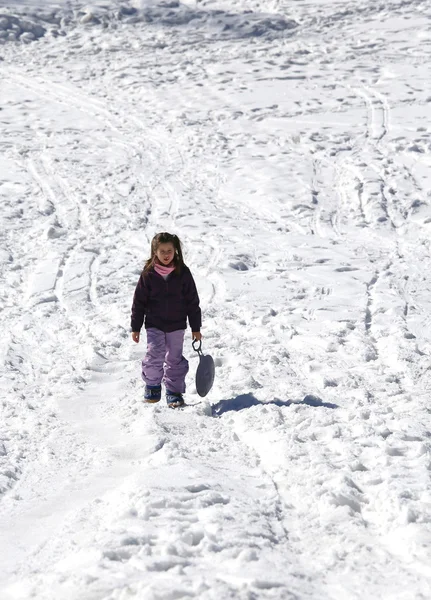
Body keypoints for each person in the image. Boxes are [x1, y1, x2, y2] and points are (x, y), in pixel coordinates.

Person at [131, 232, 202, 408]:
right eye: (162, 251)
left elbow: (192, 301)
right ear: (155, 252)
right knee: (155, 354)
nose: (166, 254)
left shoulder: (183, 273)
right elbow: (139, 302)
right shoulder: (148, 274)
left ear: (175, 251)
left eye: (169, 250)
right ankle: (152, 385)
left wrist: (196, 327)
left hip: (177, 324)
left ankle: (174, 391)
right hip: (154, 323)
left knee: (174, 358)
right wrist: (136, 327)